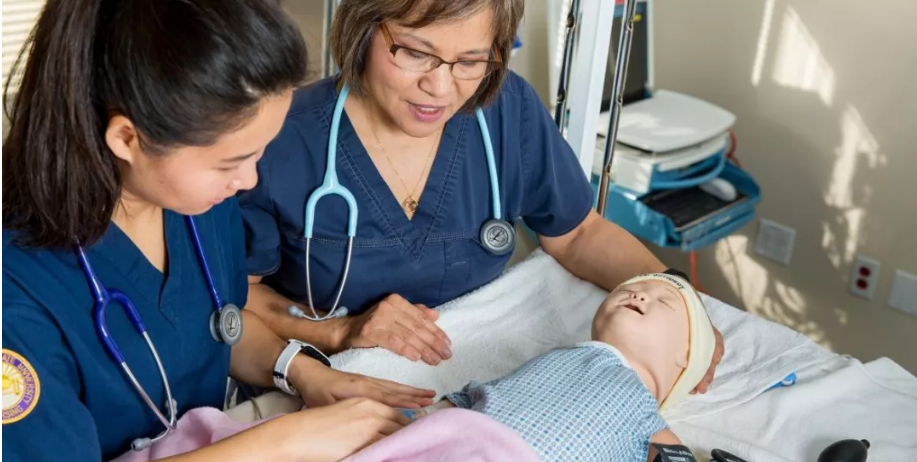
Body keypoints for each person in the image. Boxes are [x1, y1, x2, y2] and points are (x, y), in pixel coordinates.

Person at [1, 1, 434, 461]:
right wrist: (286, 440)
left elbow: (215, 327)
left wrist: (303, 373)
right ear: (127, 139)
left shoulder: (197, 201)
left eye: (259, 152)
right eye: (230, 163)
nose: (248, 180)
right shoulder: (17, 294)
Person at [239, 0, 722, 389]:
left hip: (476, 380)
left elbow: (578, 234)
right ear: (362, 29)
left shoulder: (508, 109)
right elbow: (237, 298)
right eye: (414, 53)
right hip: (327, 381)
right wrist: (338, 331)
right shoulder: (279, 137)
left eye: (470, 61)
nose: (439, 87)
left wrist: (681, 299)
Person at [411, 273, 716, 462]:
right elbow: (487, 395)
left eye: (664, 302)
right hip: (463, 444)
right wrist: (419, 419)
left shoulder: (645, 413)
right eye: (629, 288)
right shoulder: (559, 357)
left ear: (686, 355)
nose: (639, 294)